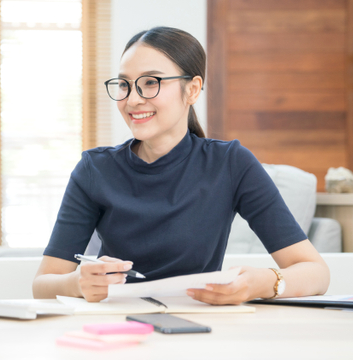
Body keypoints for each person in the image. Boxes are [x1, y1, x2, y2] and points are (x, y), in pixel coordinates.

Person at [32, 26, 330, 304]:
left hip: (203, 328)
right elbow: (43, 284)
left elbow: (317, 273)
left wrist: (262, 283)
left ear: (193, 90)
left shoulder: (230, 163)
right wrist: (77, 283)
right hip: (120, 326)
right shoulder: (94, 170)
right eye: (125, 84)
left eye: (150, 82)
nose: (133, 99)